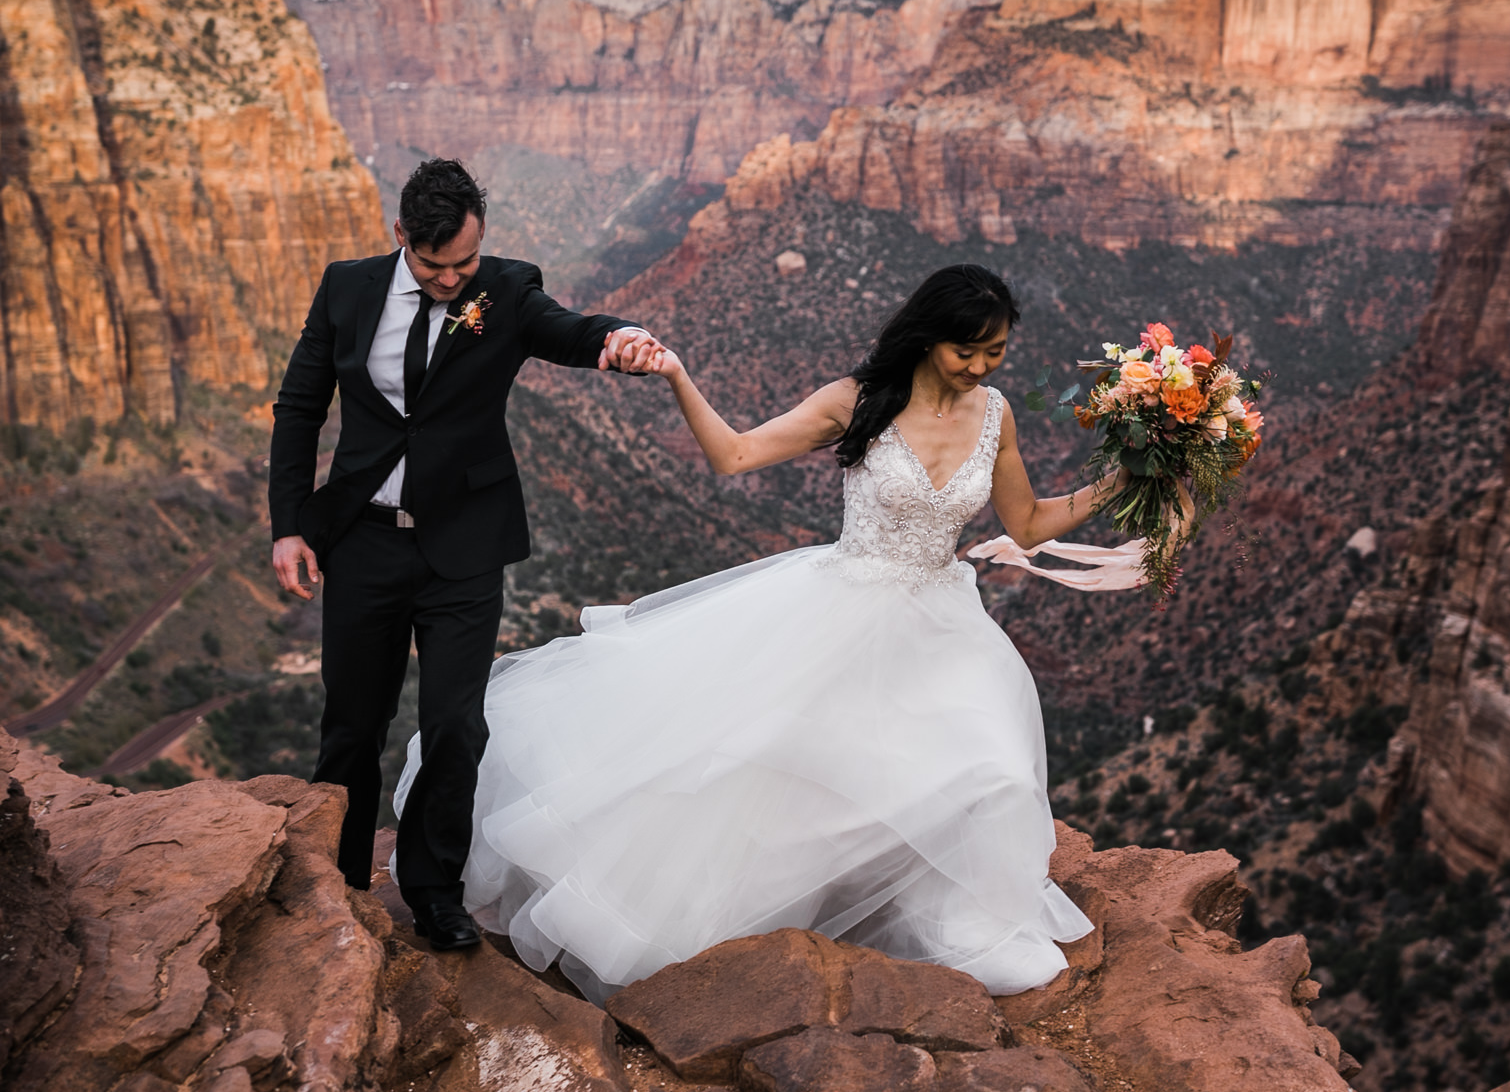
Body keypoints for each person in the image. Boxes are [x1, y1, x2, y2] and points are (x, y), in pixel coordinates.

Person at [403, 263, 1116, 996]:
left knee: (993, 771)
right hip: (843, 612)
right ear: (929, 336)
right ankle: (717, 916)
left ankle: (965, 929)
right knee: (779, 777)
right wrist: (678, 375)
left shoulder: (995, 413)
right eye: (966, 350)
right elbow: (733, 454)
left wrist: (1125, 477)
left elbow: (1029, 522)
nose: (979, 367)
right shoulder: (856, 401)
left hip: (941, 624)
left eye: (995, 352)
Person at [268, 156, 662, 948]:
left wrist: (615, 339)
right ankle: (335, 880)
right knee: (351, 723)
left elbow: (567, 329)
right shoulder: (346, 288)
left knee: (454, 725)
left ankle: (434, 892)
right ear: (400, 237)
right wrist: (289, 525)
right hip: (364, 542)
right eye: (434, 265)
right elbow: (300, 406)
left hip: (463, 549)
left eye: (465, 264)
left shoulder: (506, 290)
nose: (452, 280)